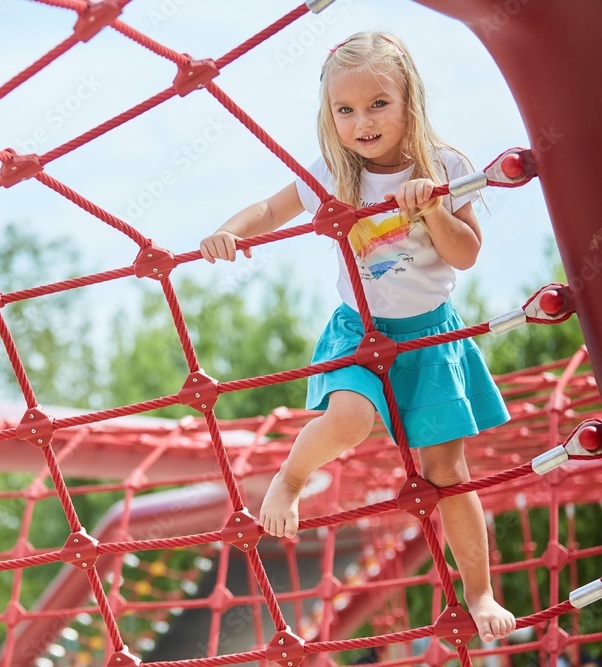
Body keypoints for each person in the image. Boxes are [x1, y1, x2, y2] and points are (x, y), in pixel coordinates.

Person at [199, 31, 516, 642]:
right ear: (329, 116)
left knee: (449, 471)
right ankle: (291, 480)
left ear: (409, 103)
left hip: (430, 340)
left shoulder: (445, 166)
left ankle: (478, 593)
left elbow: (467, 253)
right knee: (348, 419)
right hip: (360, 333)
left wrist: (431, 210)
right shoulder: (333, 174)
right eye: (345, 110)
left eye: (378, 104)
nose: (361, 121)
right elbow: (268, 211)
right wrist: (228, 231)